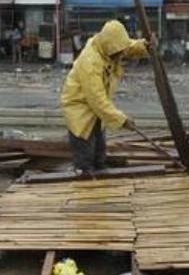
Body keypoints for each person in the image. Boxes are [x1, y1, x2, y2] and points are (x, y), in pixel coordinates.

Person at [60, 20, 149, 173]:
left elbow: (126, 47)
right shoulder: (90, 63)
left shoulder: (108, 47)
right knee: (85, 160)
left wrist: (144, 46)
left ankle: (100, 186)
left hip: (97, 112)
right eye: (117, 53)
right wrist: (122, 120)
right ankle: (84, 187)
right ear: (109, 48)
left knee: (100, 155)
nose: (120, 56)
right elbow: (97, 100)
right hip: (81, 112)